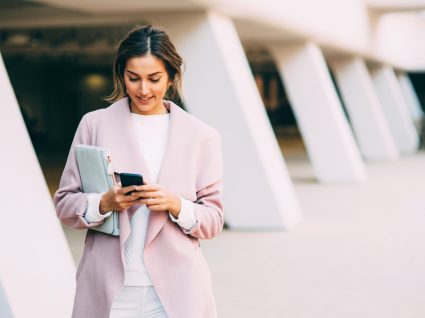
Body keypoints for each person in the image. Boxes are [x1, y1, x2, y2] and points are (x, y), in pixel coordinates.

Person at [54, 25, 224, 318]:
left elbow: (213, 220)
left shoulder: (201, 136)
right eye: (133, 78)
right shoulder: (94, 125)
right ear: (121, 75)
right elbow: (65, 203)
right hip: (111, 290)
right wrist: (104, 203)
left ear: (171, 76)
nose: (143, 90)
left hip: (177, 291)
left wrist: (175, 204)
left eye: (154, 79)